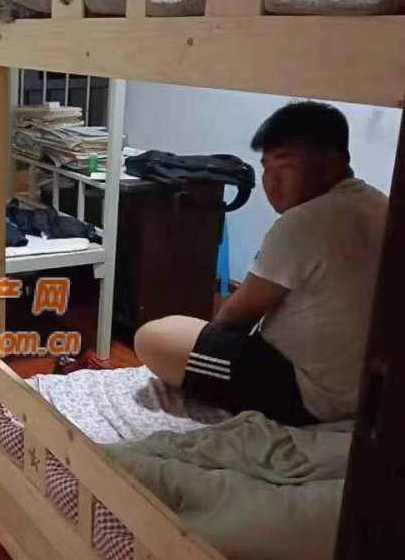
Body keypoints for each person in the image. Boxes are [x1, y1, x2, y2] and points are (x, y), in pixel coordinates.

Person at [134, 101, 388, 425]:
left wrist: (217, 354)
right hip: (369, 390)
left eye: (286, 167)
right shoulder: (380, 205)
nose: (271, 182)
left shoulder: (304, 222)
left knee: (153, 338)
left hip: (314, 397)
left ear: (331, 163)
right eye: (267, 168)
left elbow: (234, 319)